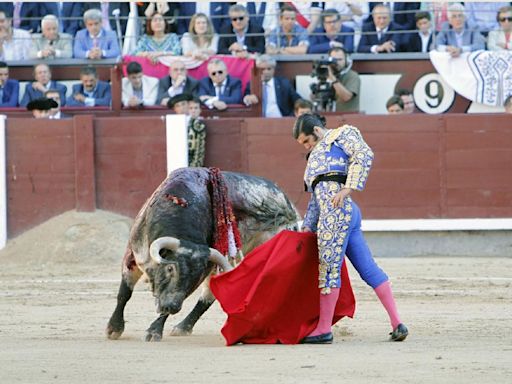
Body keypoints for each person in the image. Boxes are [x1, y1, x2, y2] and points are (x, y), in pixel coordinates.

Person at [293, 113, 408, 343]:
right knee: (367, 268)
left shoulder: (342, 134)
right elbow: (315, 200)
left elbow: (364, 153)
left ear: (316, 130)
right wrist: (306, 227)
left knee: (328, 269)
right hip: (342, 213)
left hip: (337, 213)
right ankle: (397, 323)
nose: (306, 147)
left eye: (306, 141)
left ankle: (324, 329)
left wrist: (349, 188)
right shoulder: (312, 160)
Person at [167, 94, 206, 167]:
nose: (181, 108)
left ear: (188, 105)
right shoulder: (171, 123)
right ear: (174, 109)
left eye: (183, 104)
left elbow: (199, 151)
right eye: (177, 106)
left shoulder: (196, 123)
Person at [327, 46, 360, 113]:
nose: (337, 63)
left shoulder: (353, 76)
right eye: (334, 60)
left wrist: (332, 79)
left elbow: (346, 97)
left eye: (340, 59)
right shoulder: (327, 74)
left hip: (348, 117)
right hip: (328, 117)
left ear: (346, 60)